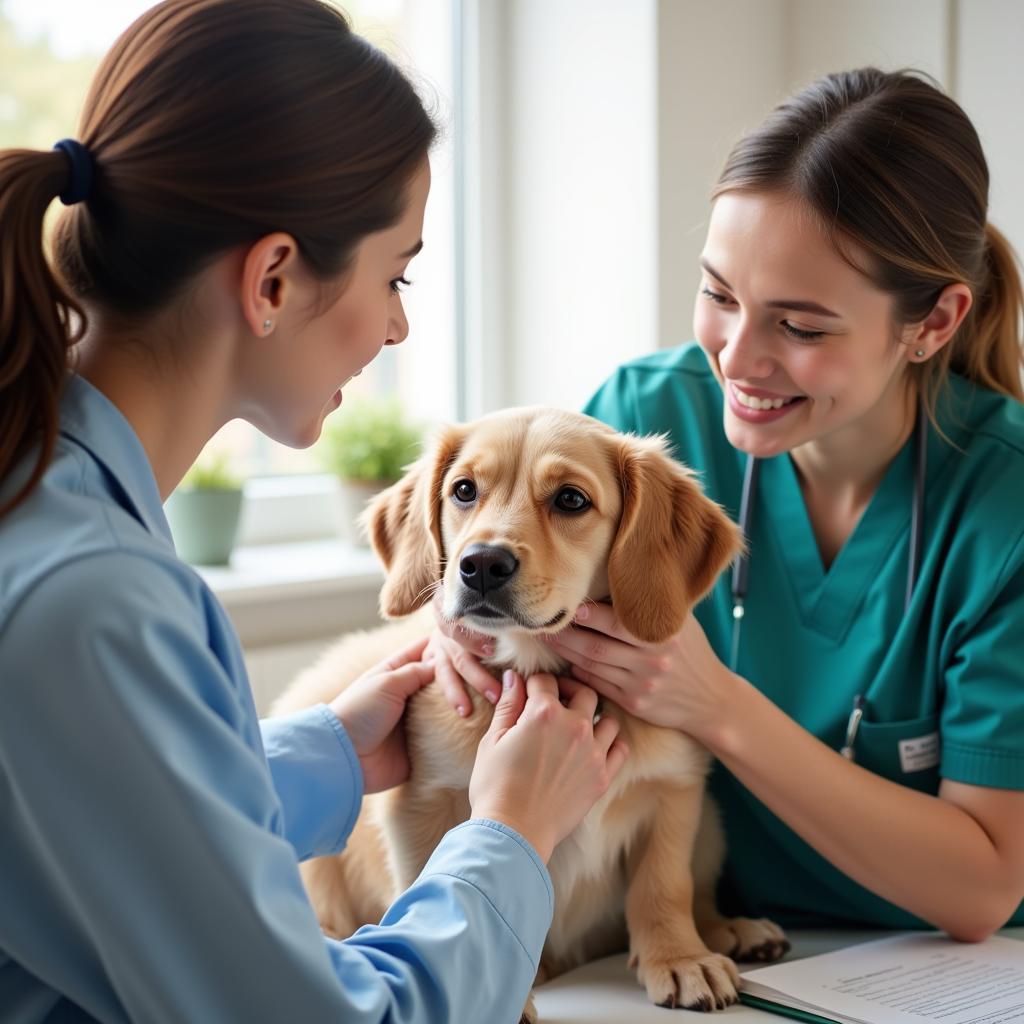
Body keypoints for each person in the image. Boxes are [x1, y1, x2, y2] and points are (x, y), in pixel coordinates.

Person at [0, 1, 629, 1020]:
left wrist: (330, 751)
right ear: (275, 278)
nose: (395, 323)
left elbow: (90, 834)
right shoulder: (94, 597)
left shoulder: (52, 513)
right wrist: (508, 832)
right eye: (396, 273)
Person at [433, 68, 1024, 942]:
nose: (738, 360)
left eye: (802, 326)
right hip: (698, 937)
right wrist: (464, 621)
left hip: (931, 969)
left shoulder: (1002, 506)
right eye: (719, 294)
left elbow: (983, 889)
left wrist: (715, 704)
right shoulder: (642, 420)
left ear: (933, 322)